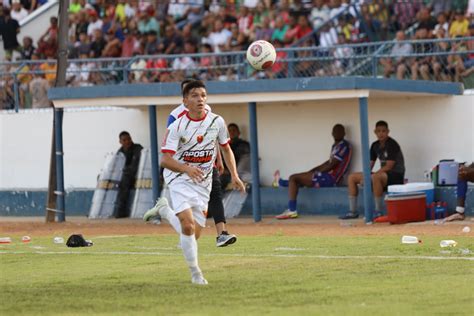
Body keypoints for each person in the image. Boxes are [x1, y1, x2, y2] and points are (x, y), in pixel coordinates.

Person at [145, 80, 245, 285]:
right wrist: (186, 169)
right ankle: (196, 274)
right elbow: (165, 160)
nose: (200, 99)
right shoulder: (177, 125)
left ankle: (165, 211)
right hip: (179, 177)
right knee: (188, 225)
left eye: (203, 95)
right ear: (185, 101)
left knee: (193, 233)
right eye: (195, 96)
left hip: (203, 181)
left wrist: (234, 175)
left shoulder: (217, 121)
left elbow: (225, 148)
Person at [275, 124, 352, 220]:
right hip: (327, 176)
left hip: (332, 179)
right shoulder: (335, 146)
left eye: (340, 131)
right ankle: (281, 183)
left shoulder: (344, 146)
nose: (337, 133)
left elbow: (332, 165)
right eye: (335, 131)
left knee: (294, 178)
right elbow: (328, 162)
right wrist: (312, 171)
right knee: (297, 180)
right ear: (332, 133)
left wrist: (312, 174)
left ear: (344, 133)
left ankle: (292, 210)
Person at [340, 120, 405, 220]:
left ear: (388, 131)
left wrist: (369, 177)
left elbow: (389, 166)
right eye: (378, 131)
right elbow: (369, 165)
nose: (381, 133)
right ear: (375, 132)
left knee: (375, 177)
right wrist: (365, 176)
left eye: (383, 131)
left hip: (395, 175)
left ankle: (378, 211)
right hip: (382, 175)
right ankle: (352, 211)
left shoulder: (392, 144)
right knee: (352, 177)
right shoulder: (375, 145)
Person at [115, 131, 143, 218]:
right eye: (124, 140)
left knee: (125, 180)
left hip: (135, 176)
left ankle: (121, 210)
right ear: (120, 142)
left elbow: (135, 166)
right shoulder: (120, 152)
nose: (127, 141)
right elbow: (116, 165)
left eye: (129, 139)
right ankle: (101, 210)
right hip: (124, 176)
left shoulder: (137, 148)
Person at [221, 123, 251, 190]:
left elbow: (242, 160)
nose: (232, 132)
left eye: (234, 130)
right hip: (224, 172)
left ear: (238, 132)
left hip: (237, 173)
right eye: (230, 131)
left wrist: (231, 171)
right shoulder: (224, 145)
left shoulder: (243, 144)